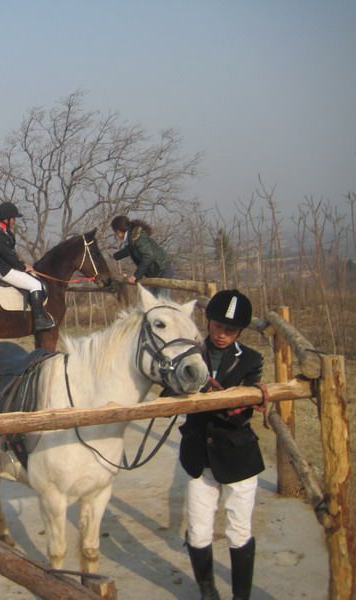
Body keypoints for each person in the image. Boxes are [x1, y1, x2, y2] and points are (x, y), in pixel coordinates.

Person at [179, 289, 264, 600]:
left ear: (239, 331)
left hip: (238, 456)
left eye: (230, 330)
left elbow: (241, 414)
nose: (222, 334)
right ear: (208, 322)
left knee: (238, 530)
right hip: (198, 454)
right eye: (217, 327)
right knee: (199, 532)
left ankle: (241, 597)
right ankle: (208, 592)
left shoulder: (252, 360)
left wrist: (208, 395)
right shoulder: (188, 356)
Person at [0, 201, 55, 332]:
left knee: (35, 279)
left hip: (7, 267)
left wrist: (24, 265)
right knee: (35, 285)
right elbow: (8, 256)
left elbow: (11, 255)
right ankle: (39, 320)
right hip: (2, 270)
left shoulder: (5, 231)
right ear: (6, 219)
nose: (14, 221)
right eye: (12, 218)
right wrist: (23, 267)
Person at [110, 215, 174, 295]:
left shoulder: (138, 237)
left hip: (162, 269)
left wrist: (136, 276)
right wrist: (115, 256)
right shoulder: (132, 238)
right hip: (155, 271)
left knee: (161, 300)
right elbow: (130, 250)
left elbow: (148, 257)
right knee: (154, 300)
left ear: (118, 231)